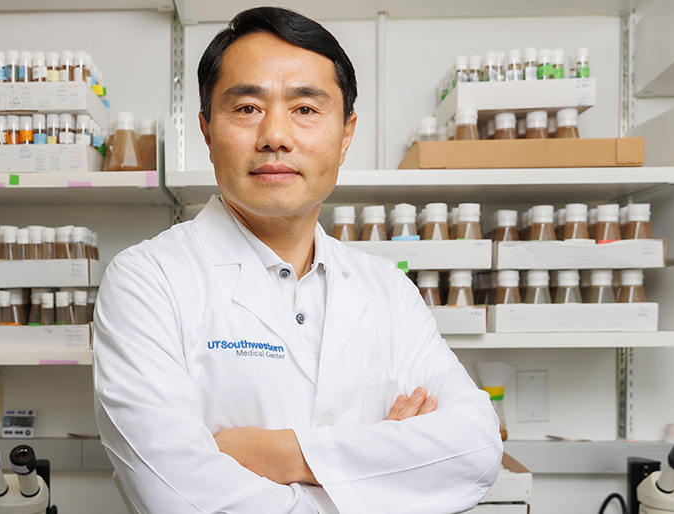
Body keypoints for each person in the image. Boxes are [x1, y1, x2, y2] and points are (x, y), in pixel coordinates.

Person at [93, 7, 502, 513]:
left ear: (346, 132)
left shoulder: (388, 290)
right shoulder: (147, 281)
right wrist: (380, 469)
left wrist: (283, 453)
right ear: (206, 129)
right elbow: (177, 497)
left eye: (306, 109)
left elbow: (477, 449)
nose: (275, 136)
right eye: (246, 108)